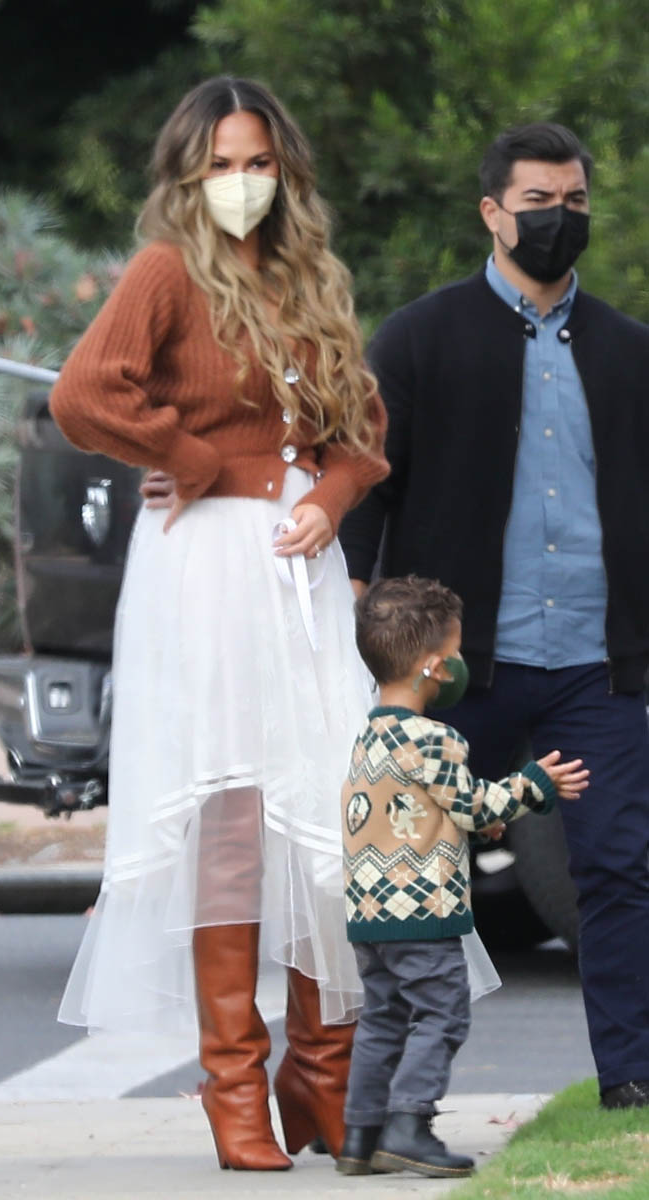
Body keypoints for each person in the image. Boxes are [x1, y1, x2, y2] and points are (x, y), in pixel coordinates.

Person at [49, 76, 389, 1171]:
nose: (241, 183)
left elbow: (365, 433)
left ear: (286, 170)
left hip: (303, 570)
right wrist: (190, 458)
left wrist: (326, 500)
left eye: (258, 163)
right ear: (188, 177)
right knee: (231, 827)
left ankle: (322, 1073)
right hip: (203, 569)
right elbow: (85, 393)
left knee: (331, 815)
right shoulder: (166, 271)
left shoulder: (311, 277)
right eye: (221, 166)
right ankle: (232, 1083)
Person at [340, 121, 649, 1111]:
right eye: (538, 202)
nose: (560, 218)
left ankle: (632, 1080)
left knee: (619, 868)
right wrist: (359, 617)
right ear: (492, 212)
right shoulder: (420, 338)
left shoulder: (630, 352)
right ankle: (385, 1103)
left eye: (575, 201)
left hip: (596, 666)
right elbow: (365, 484)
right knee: (403, 873)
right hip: (453, 670)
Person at [335, 576, 587, 1178]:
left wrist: (467, 828)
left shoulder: (367, 736)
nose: (457, 665)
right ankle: (409, 1123)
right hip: (422, 911)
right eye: (453, 652)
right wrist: (534, 784)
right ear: (432, 666)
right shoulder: (436, 738)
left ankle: (360, 1133)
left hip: (369, 913)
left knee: (383, 1018)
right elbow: (474, 805)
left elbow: (409, 816)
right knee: (443, 1013)